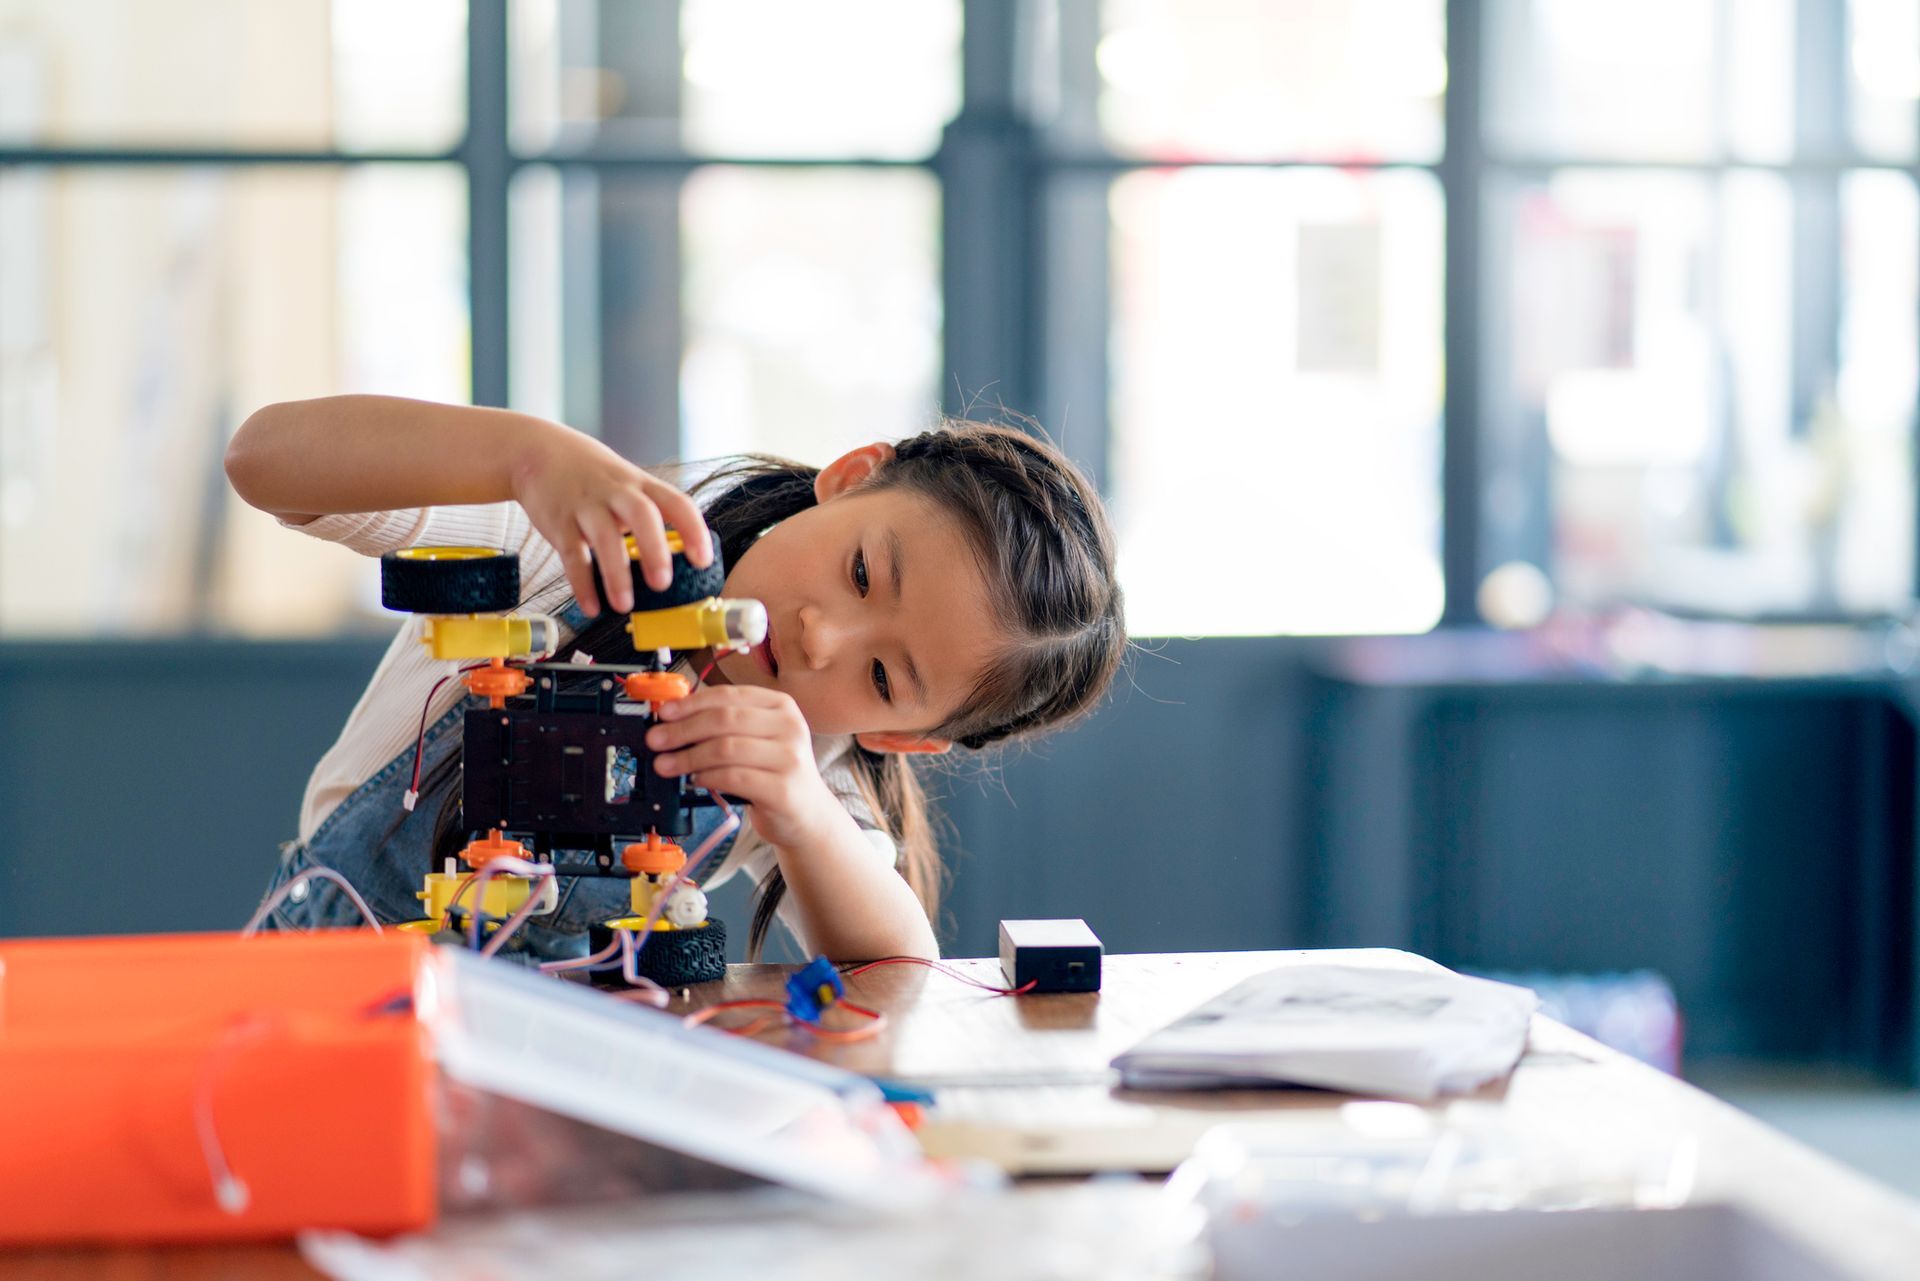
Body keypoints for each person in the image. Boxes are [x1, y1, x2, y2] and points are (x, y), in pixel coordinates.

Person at [224, 395, 1126, 962]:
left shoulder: (808, 755)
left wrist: (803, 813)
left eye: (884, 675)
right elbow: (262, 461)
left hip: (544, 1054)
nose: (822, 637)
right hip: (329, 982)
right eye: (859, 572)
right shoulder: (575, 547)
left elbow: (901, 956)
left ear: (901, 737)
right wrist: (524, 457)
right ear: (851, 477)